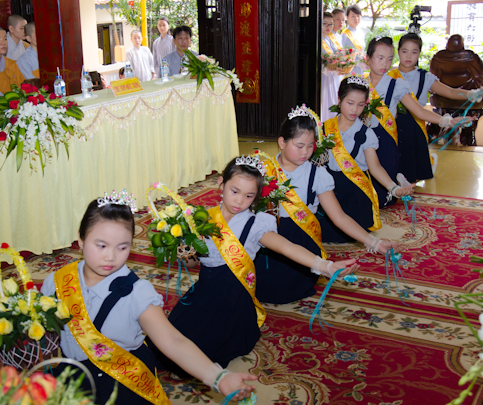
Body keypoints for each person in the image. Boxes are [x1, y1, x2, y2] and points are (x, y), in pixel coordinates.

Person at [40, 192, 256, 405]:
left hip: (122, 381)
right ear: (80, 239)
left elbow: (173, 341)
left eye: (122, 247)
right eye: (101, 245)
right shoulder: (58, 282)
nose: (111, 257)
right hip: (73, 377)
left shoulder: (137, 293)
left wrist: (218, 377)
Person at [151, 156, 359, 373]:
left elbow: (287, 247)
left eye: (249, 196)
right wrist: (184, 252)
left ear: (256, 196)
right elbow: (194, 264)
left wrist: (326, 266)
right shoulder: (202, 219)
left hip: (233, 301)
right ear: (221, 184)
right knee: (167, 343)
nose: (240, 201)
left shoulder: (255, 224)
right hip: (205, 293)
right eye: (234, 191)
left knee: (202, 353)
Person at [254, 108, 395, 304]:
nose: (305, 152)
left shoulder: (317, 174)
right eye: (299, 145)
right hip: (269, 239)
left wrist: (374, 243)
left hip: (302, 239)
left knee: (285, 290)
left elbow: (339, 217)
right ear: (282, 142)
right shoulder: (262, 170)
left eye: (310, 146)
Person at [364, 37, 469, 207]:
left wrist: (448, 121)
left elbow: (419, 111)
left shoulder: (396, 85)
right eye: (380, 58)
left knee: (383, 199)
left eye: (389, 59)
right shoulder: (359, 83)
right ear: (368, 58)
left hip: (385, 142)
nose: (385, 64)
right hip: (362, 141)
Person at [321, 76, 413, 240]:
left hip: (355, 191)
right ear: (339, 100)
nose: (354, 109)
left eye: (360, 105)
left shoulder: (366, 134)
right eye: (350, 103)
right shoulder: (325, 128)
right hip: (330, 189)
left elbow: (375, 167)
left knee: (349, 233)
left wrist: (394, 188)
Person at [393, 33, 483, 182]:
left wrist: (473, 94)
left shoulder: (425, 77)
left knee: (411, 174)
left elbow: (450, 92)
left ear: (419, 53)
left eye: (414, 52)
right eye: (404, 51)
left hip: (415, 127)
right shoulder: (389, 75)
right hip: (391, 127)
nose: (409, 56)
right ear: (398, 51)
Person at [428, 34, 483, 146]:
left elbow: (435, 77)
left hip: (446, 97)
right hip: (457, 95)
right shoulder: (471, 57)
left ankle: (434, 134)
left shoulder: (438, 57)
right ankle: (467, 136)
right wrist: (477, 90)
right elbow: (480, 76)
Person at [320, 12, 343, 123]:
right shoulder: (318, 40)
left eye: (330, 24)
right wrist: (327, 68)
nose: (328, 27)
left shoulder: (330, 40)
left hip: (332, 77)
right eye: (325, 23)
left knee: (333, 102)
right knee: (324, 104)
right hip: (323, 78)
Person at [341, 5, 366, 75]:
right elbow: (342, 55)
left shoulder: (361, 33)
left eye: (358, 16)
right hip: (350, 71)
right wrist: (357, 63)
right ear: (347, 17)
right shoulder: (344, 35)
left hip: (361, 70)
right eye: (353, 16)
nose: (356, 19)